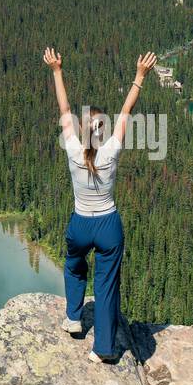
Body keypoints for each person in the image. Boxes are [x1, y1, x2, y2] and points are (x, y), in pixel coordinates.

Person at [43, 46, 157, 364]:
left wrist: (56, 70)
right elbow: (126, 111)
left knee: (74, 264)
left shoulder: (72, 148)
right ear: (103, 131)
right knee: (106, 286)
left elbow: (63, 108)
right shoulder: (112, 151)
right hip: (108, 226)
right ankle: (104, 349)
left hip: (80, 223)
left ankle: (73, 318)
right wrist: (140, 76)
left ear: (81, 129)